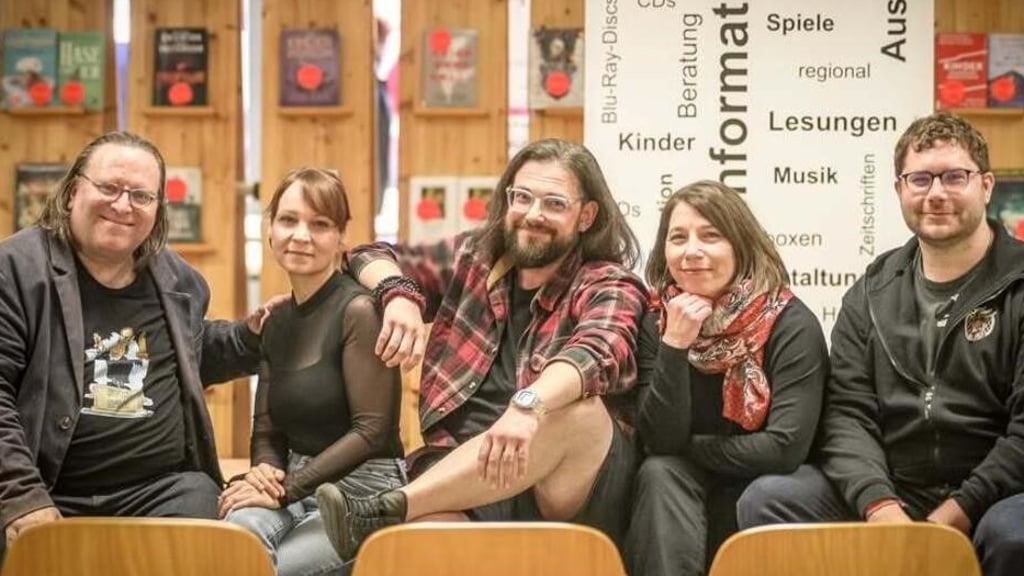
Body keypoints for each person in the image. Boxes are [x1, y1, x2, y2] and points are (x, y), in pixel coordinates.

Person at [314, 138, 648, 561]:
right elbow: (368, 255)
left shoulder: (609, 282)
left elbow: (597, 351)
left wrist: (528, 406)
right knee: (408, 553)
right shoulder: (474, 257)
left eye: (554, 204)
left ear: (586, 215)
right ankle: (391, 516)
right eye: (522, 197)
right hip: (463, 473)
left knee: (578, 409)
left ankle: (387, 509)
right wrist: (398, 293)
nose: (533, 214)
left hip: (559, 480)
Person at [738, 112, 1024, 576]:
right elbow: (847, 412)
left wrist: (954, 513)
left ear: (986, 186)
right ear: (898, 190)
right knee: (770, 502)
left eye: (955, 177)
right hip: (895, 487)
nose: (936, 193)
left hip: (999, 496)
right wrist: (879, 505)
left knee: (1015, 535)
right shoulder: (871, 292)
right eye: (920, 179)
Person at [0, 131, 274, 563]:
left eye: (142, 196)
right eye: (109, 188)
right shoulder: (15, 270)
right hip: (49, 487)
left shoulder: (178, 280)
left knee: (219, 537)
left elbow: (189, 354)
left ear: (157, 209)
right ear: (74, 192)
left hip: (162, 490)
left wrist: (251, 337)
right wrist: (21, 496)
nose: (124, 205)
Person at [624, 181, 828, 576]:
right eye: (678, 238)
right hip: (687, 478)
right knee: (659, 472)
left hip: (771, 479)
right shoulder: (658, 320)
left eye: (711, 236)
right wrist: (676, 343)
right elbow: (660, 441)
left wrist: (689, 447)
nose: (692, 251)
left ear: (740, 244)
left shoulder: (789, 322)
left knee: (680, 468)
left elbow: (784, 447)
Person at [219, 167, 406, 576]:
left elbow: (372, 432)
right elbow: (267, 430)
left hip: (364, 493)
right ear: (270, 231)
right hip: (293, 479)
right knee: (234, 539)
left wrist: (286, 488)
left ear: (341, 238)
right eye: (288, 220)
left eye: (319, 224)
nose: (301, 235)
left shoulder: (360, 311)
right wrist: (264, 473)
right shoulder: (274, 321)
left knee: (280, 570)